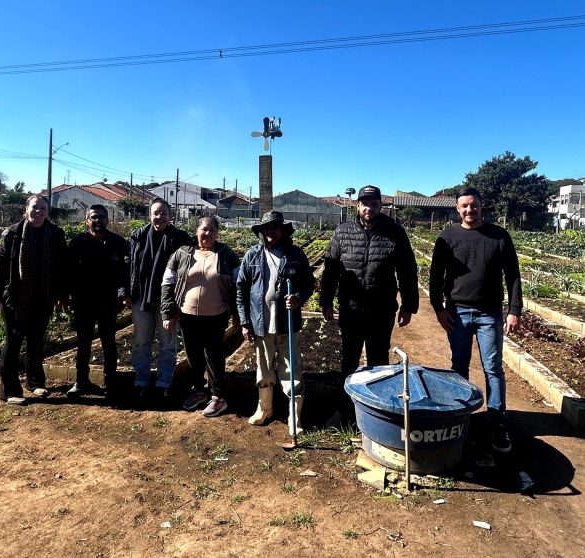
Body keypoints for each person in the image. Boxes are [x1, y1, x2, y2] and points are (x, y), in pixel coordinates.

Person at [429, 186, 522, 453]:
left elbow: (513, 275)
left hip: (489, 312)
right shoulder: (447, 237)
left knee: (492, 367)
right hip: (457, 311)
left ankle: (497, 420)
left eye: (474, 205)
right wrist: (438, 307)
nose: (470, 210)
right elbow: (436, 276)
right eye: (464, 206)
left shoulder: (498, 236)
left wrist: (514, 310)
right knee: (459, 365)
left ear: (481, 206)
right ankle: (462, 415)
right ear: (457, 209)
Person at [320, 185, 419, 417]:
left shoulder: (395, 232)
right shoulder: (342, 232)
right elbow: (331, 269)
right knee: (349, 361)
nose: (369, 208)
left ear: (380, 206)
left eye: (374, 204)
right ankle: (345, 411)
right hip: (350, 310)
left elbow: (407, 271)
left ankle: (375, 413)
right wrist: (326, 300)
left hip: (381, 311)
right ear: (357, 205)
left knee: (378, 363)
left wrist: (408, 305)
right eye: (365, 203)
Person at [236, 211, 314, 435]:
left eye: (274, 227)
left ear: (282, 230)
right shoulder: (252, 256)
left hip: (288, 323)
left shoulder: (295, 255)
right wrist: (244, 322)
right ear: (261, 232)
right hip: (261, 324)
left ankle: (294, 419)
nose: (270, 232)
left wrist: (298, 297)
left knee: (292, 371)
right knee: (264, 370)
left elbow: (309, 284)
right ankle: (265, 410)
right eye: (266, 228)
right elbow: (241, 289)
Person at [0, 194, 68, 405]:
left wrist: (61, 294)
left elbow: (63, 267)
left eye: (43, 208)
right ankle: (10, 390)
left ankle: (35, 382)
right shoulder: (12, 234)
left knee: (35, 342)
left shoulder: (56, 234)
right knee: (13, 343)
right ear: (26, 209)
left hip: (43, 298)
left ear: (47, 212)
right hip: (16, 298)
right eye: (35, 207)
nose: (38, 212)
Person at [160, 216, 240, 417]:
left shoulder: (226, 254)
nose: (208, 233)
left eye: (212, 230)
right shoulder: (182, 253)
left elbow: (239, 286)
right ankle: (199, 391)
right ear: (197, 231)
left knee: (214, 356)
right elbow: (167, 285)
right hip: (187, 316)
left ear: (217, 233)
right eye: (204, 229)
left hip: (216, 315)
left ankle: (218, 397)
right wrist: (168, 313)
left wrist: (239, 314)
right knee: (193, 357)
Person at [128, 198, 193, 403]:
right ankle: (141, 381)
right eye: (156, 213)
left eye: (163, 213)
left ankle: (164, 382)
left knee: (167, 343)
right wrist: (127, 292)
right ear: (150, 215)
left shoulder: (180, 238)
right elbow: (129, 267)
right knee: (141, 341)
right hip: (142, 299)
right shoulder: (137, 237)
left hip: (169, 301)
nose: (160, 217)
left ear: (170, 215)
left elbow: (187, 270)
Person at [67, 205, 130, 401]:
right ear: (87, 221)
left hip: (109, 303)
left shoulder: (118, 243)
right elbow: (67, 274)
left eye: (102, 217)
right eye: (94, 217)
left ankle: (110, 383)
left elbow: (126, 274)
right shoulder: (77, 243)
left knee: (109, 344)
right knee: (84, 344)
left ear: (107, 220)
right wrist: (67, 297)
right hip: (83, 303)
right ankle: (81, 381)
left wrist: (123, 296)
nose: (98, 221)